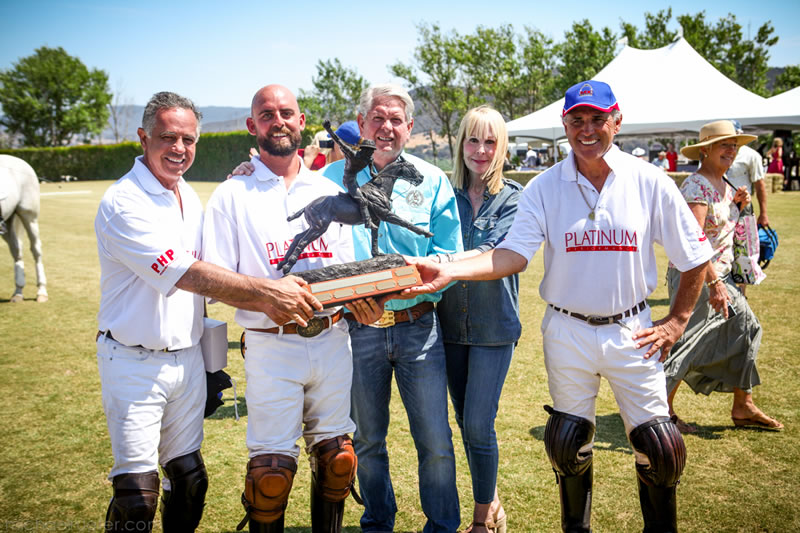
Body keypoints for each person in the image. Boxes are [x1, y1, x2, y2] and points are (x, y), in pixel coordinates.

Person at [402, 80, 714, 533]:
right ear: (565, 124)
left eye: (598, 119)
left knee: (660, 447)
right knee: (568, 444)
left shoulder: (649, 181)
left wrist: (677, 321)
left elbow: (695, 256)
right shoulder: (544, 187)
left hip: (633, 330)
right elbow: (512, 254)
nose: (587, 130)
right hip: (567, 329)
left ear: (617, 121)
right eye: (577, 120)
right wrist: (451, 270)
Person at [95, 91, 321, 533]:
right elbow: (188, 275)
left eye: (189, 139)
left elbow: (206, 284)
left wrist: (210, 363)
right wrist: (268, 294)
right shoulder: (123, 203)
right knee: (137, 495)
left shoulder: (187, 196)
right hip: (133, 362)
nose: (179, 149)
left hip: (186, 360)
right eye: (167, 138)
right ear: (143, 138)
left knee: (190, 480)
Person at [203, 85, 367, 533]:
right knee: (270, 474)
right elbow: (215, 280)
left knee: (338, 460)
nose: (278, 120)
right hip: (270, 345)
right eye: (267, 114)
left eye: (287, 113)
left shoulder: (327, 188)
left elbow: (347, 269)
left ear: (300, 120)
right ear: (252, 125)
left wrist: (364, 301)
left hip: (333, 339)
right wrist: (266, 296)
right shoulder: (231, 195)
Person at [322, 83, 464, 533]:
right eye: (377, 118)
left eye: (395, 120)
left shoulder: (433, 179)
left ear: (410, 128)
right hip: (357, 331)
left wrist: (410, 288)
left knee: (436, 441)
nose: (386, 127)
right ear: (362, 124)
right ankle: (377, 521)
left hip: (417, 327)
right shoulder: (328, 178)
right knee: (366, 440)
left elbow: (451, 255)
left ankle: (442, 526)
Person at [664, 120, 783, 434]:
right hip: (699, 278)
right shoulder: (696, 186)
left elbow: (727, 233)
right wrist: (715, 283)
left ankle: (743, 404)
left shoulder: (726, 184)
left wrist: (741, 206)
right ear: (706, 149)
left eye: (735, 145)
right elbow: (694, 241)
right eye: (724, 145)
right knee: (686, 342)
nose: (732, 151)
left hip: (723, 275)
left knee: (745, 329)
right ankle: (659, 412)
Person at [438, 106, 521, 533]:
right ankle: (492, 502)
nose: (481, 150)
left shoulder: (514, 198)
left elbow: (492, 251)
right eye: (473, 140)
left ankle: (480, 523)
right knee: (463, 423)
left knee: (477, 423)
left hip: (493, 329)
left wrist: (441, 263)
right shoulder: (442, 195)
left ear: (501, 145)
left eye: (490, 141)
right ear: (461, 144)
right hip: (448, 327)